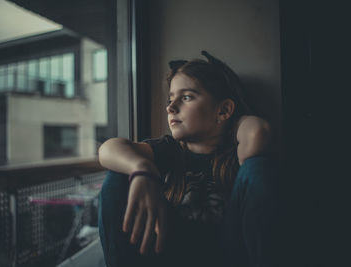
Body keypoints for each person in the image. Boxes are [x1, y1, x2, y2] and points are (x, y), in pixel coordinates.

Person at [98, 51, 278, 267]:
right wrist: (141, 168)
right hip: (168, 254)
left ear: (224, 110)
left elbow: (258, 131)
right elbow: (109, 148)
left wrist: (235, 122)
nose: (170, 107)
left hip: (228, 256)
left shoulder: (235, 152)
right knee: (120, 172)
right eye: (170, 98)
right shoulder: (168, 151)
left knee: (258, 167)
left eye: (186, 97)